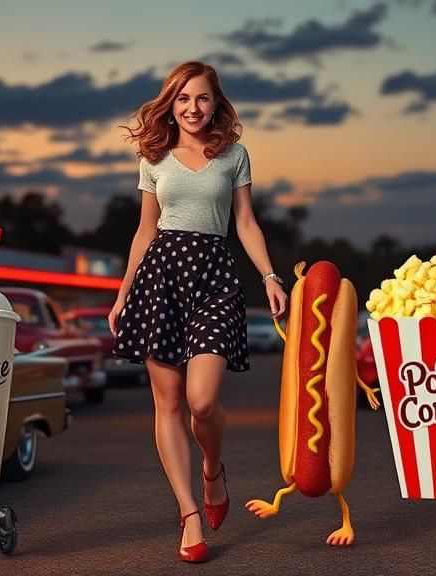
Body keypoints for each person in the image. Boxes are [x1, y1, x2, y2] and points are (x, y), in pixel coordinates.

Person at [108, 60, 288, 564]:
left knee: (202, 401)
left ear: (216, 103)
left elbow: (246, 223)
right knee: (167, 404)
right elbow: (145, 231)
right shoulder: (154, 156)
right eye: (183, 98)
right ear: (171, 102)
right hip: (159, 278)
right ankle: (189, 514)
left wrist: (269, 276)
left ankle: (213, 469)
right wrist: (124, 295)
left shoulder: (234, 154)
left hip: (214, 275)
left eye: (203, 98)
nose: (193, 108)